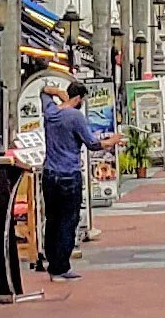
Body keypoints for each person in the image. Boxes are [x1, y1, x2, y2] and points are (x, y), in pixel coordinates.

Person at [39, 80, 118, 280]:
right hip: (69, 174)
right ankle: (61, 267)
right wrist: (111, 141)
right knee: (68, 220)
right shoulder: (75, 116)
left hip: (49, 173)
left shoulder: (50, 112)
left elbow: (43, 92)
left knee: (52, 219)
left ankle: (52, 262)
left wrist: (56, 92)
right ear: (79, 99)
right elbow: (92, 143)